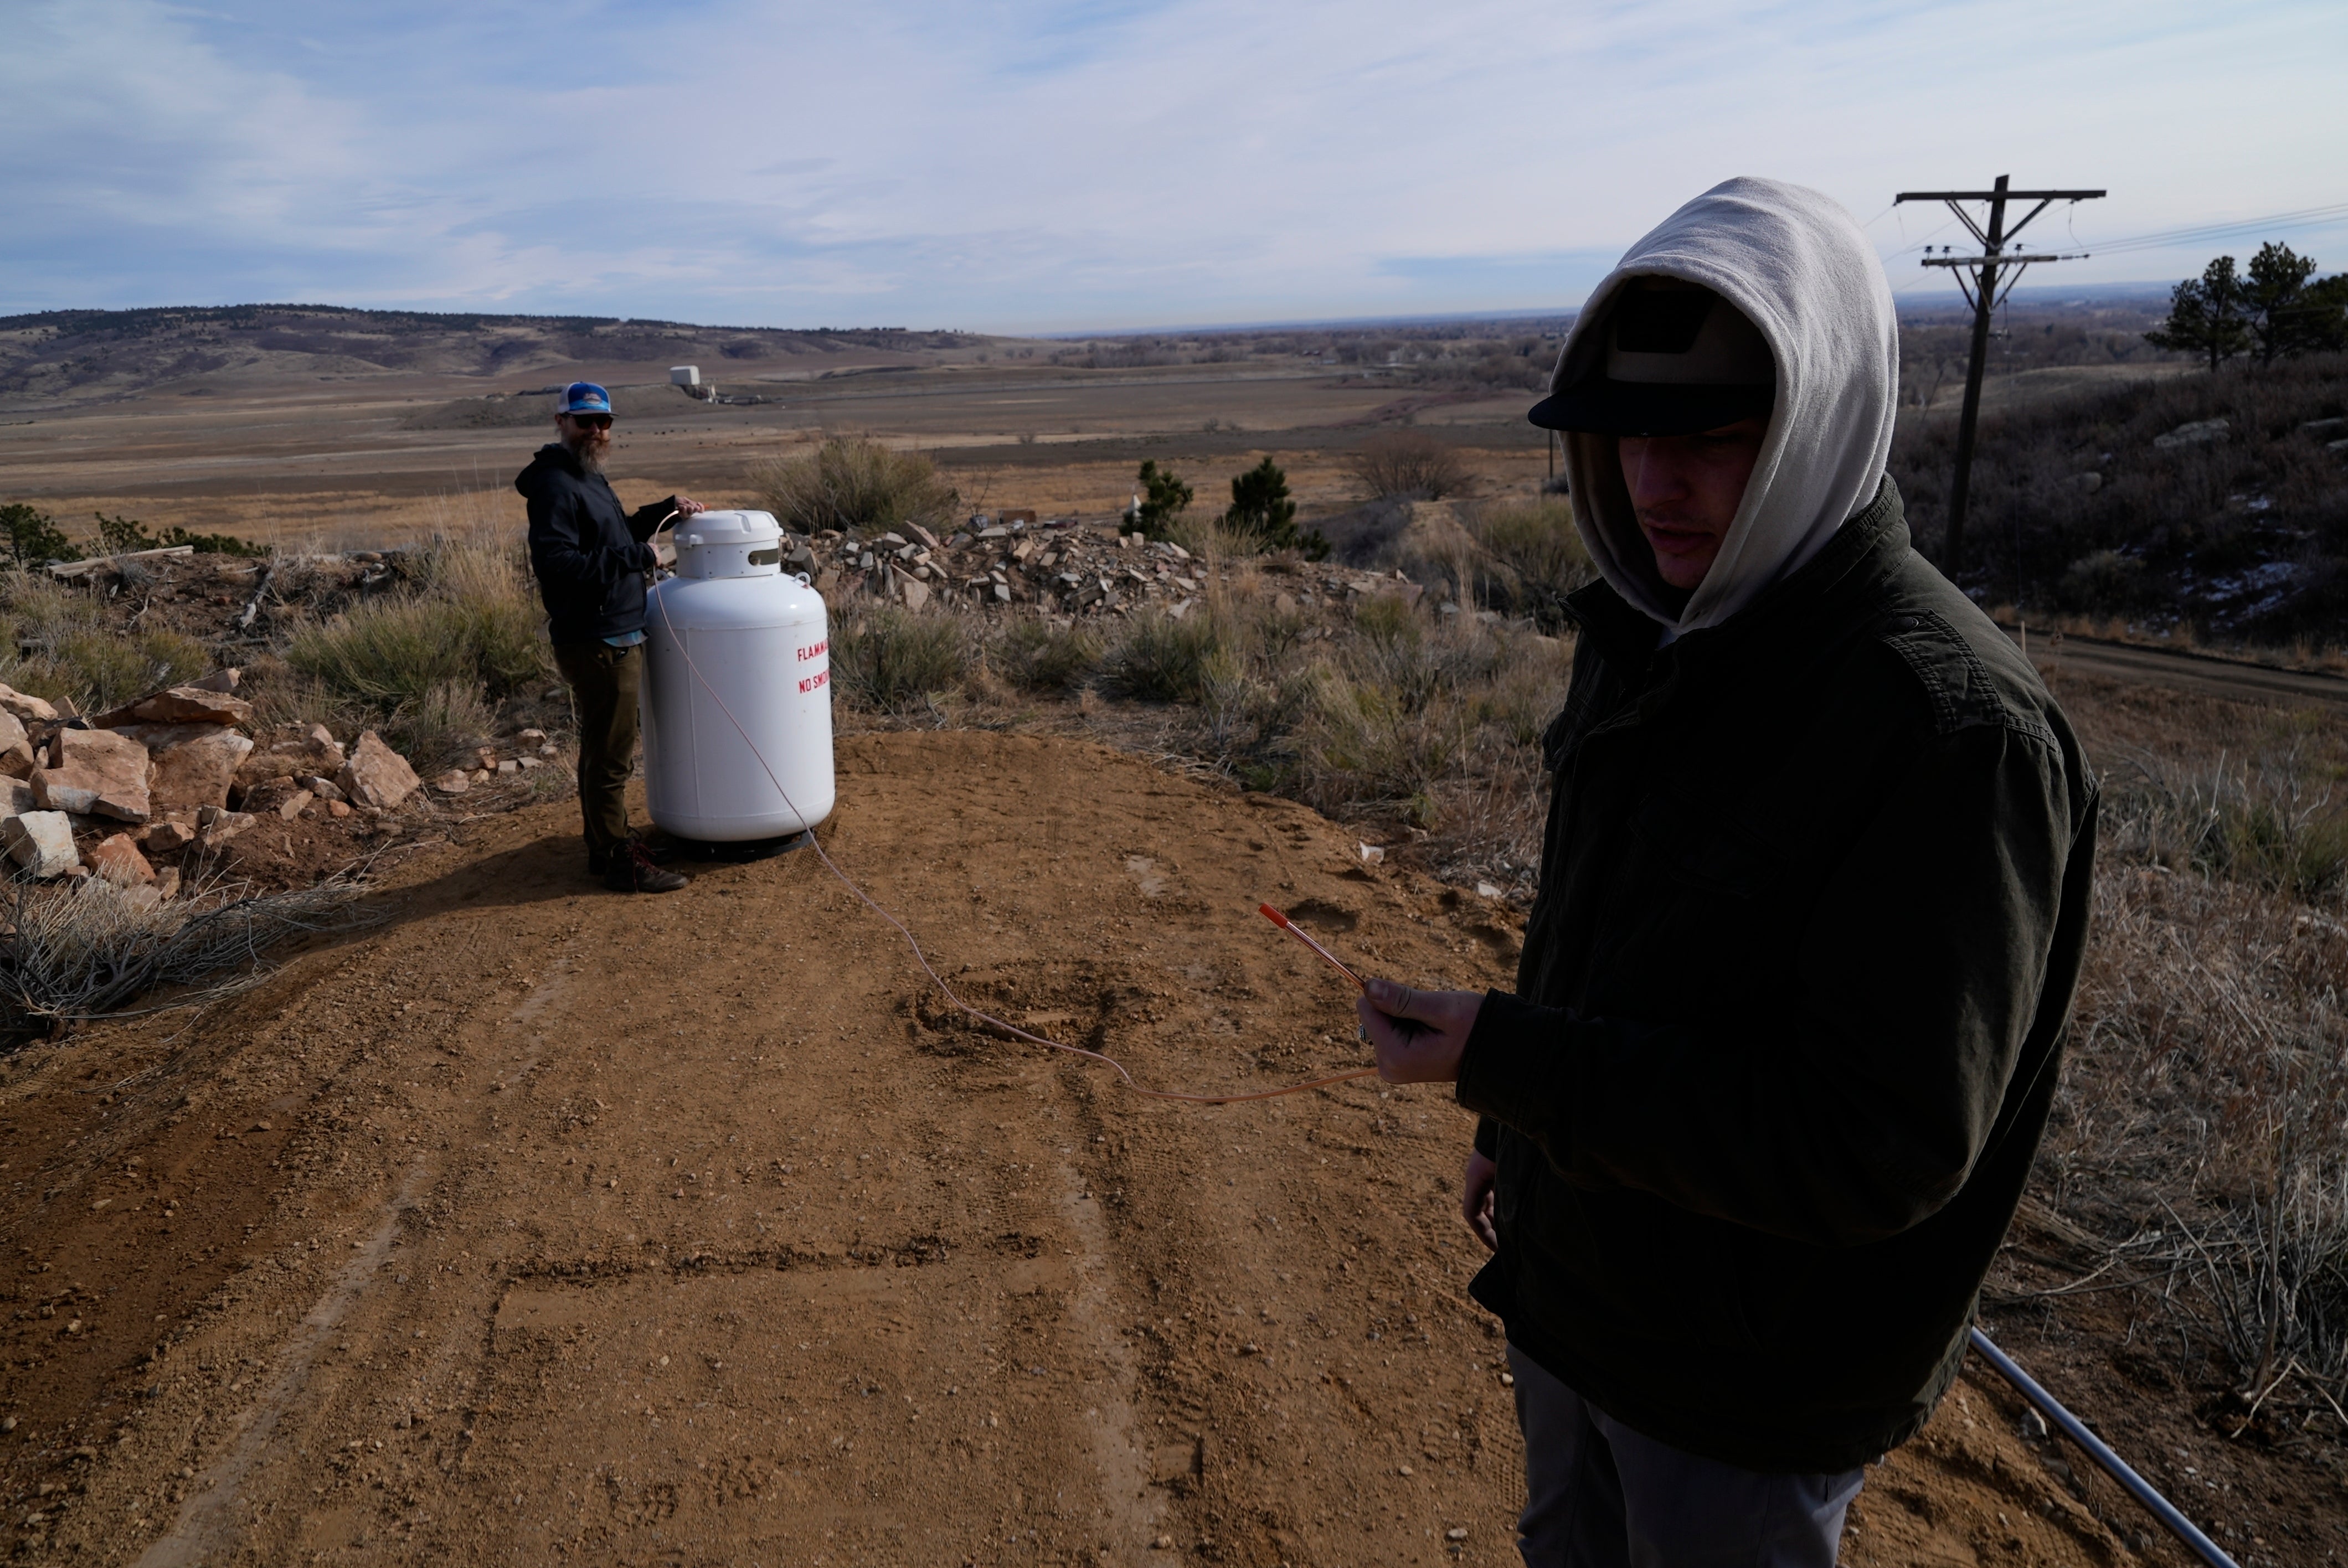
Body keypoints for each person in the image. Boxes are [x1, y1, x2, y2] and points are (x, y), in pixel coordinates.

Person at [1353, 178, 2098, 1567]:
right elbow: (1608, 935)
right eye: (1627, 438)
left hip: (1743, 1390)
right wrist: (1513, 1120)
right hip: (1583, 1296)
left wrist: (1513, 1065)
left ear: (1817, 424)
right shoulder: (1659, 624)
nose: (1650, 486)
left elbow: (1868, 1143)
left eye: (1706, 437)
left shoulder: (1948, 732)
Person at [517, 381, 701, 894]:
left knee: (604, 748)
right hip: (598, 639)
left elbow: (614, 531)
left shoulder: (585, 474)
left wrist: (663, 509)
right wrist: (639, 557)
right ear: (561, 423)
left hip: (613, 631)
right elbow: (557, 564)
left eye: (604, 422)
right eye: (585, 422)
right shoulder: (556, 484)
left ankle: (606, 847)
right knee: (612, 754)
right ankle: (623, 863)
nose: (597, 431)